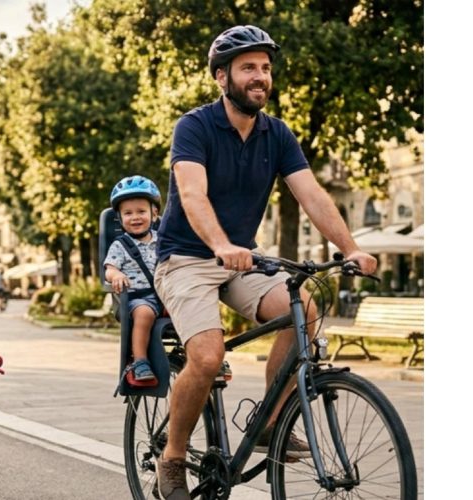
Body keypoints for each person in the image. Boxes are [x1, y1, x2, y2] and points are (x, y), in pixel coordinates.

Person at [152, 25, 377, 499]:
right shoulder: (194, 127)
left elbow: (312, 194)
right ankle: (171, 457)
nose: (260, 77)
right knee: (208, 356)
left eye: (266, 68)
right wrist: (218, 243)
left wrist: (351, 247)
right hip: (186, 258)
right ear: (221, 77)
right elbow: (192, 195)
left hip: (241, 261)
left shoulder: (277, 134)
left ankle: (271, 422)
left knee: (304, 310)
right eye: (248, 67)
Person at [103, 175, 163, 386]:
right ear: (119, 218)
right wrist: (116, 275)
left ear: (154, 214)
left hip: (165, 296)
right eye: (128, 213)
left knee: (192, 307)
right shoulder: (120, 245)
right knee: (145, 313)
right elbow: (109, 268)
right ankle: (139, 361)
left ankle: (203, 356)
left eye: (141, 211)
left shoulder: (163, 242)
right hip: (136, 299)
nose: (135, 217)